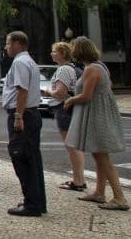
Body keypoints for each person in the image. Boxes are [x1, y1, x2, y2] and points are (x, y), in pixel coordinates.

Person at [65, 37, 128, 210]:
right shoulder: (101, 66)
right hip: (100, 113)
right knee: (99, 155)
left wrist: (70, 100)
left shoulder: (91, 69)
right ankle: (100, 192)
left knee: (102, 157)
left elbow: (86, 95)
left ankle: (120, 197)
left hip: (96, 116)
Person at [2, 31, 46, 217]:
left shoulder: (20, 62)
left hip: (23, 115)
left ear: (18, 43)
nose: (6, 47)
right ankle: (37, 201)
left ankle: (32, 204)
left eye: (8, 43)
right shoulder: (29, 61)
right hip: (31, 114)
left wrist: (18, 116)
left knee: (22, 158)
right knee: (33, 159)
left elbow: (22, 90)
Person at [43, 42, 84, 191]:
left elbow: (60, 92)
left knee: (71, 145)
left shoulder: (63, 70)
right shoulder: (70, 68)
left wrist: (48, 91)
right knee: (73, 145)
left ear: (63, 54)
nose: (52, 54)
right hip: (67, 108)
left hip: (63, 109)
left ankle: (78, 180)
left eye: (54, 51)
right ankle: (79, 179)